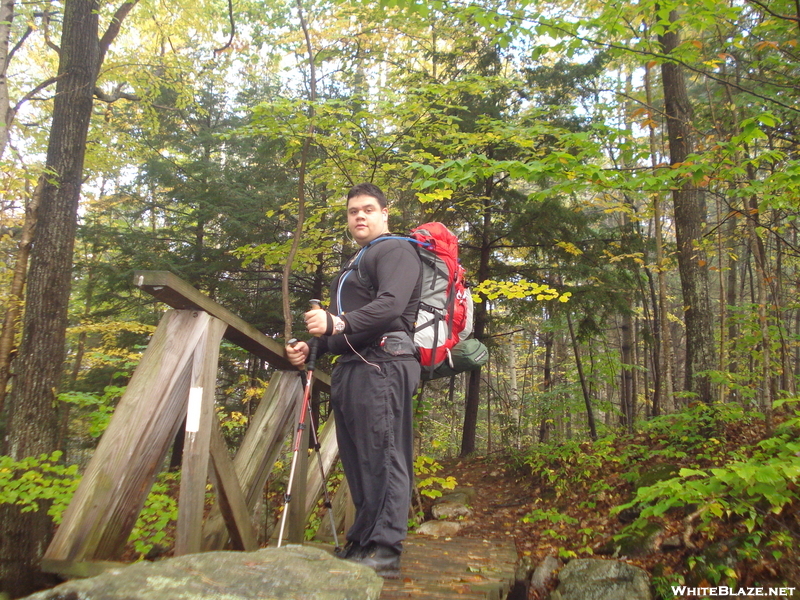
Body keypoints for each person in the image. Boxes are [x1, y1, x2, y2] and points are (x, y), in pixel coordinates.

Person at [285, 182, 422, 577]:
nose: (359, 216)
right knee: (360, 459)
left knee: (385, 454)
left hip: (383, 362)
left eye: (367, 209)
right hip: (355, 366)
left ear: (384, 213)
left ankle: (385, 550)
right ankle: (362, 542)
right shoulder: (354, 263)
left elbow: (392, 305)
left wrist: (338, 321)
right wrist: (310, 349)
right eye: (352, 211)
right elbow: (339, 331)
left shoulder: (395, 249)